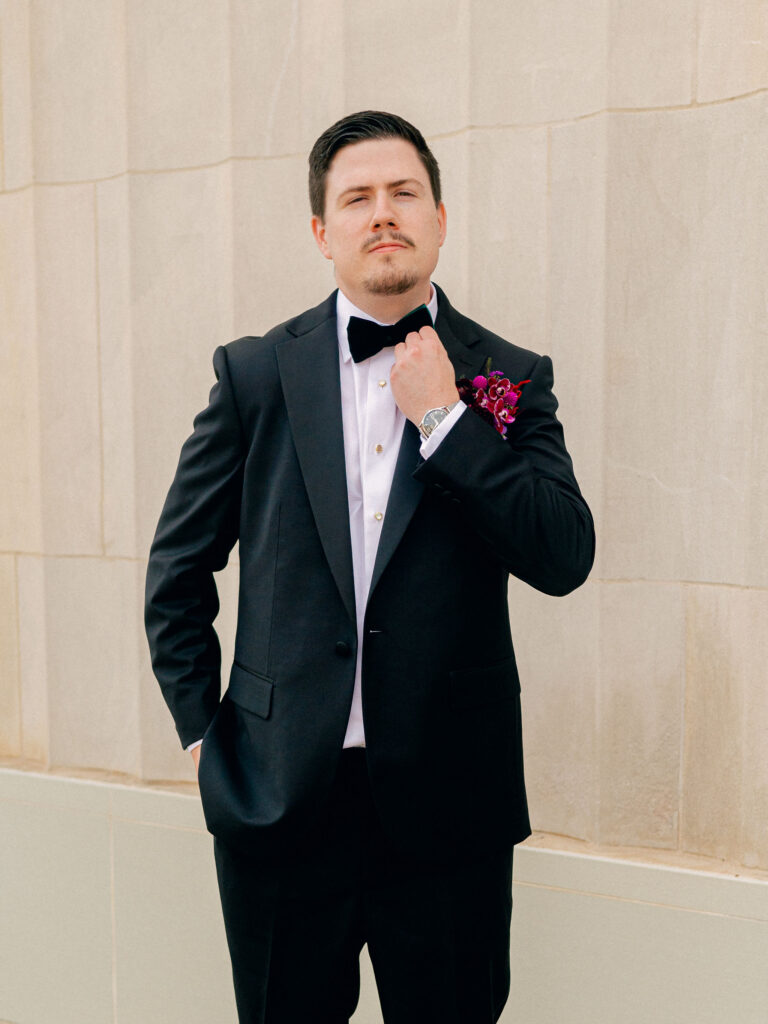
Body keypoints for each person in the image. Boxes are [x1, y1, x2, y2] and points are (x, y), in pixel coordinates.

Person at [145, 110, 594, 1024]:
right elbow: (177, 573)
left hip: (449, 812)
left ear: (439, 217)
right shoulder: (257, 374)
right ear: (323, 232)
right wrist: (207, 742)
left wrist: (447, 424)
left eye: (404, 193)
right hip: (280, 802)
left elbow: (563, 554)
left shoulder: (508, 376)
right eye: (356, 198)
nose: (381, 213)